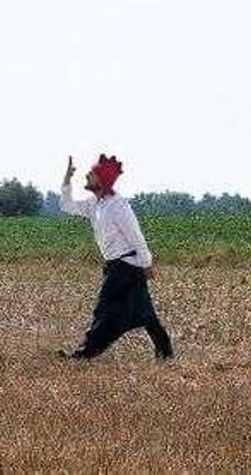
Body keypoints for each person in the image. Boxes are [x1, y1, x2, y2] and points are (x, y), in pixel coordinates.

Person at [57, 153, 174, 360]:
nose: (87, 175)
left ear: (101, 179)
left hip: (126, 266)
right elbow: (67, 206)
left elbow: (136, 236)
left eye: (92, 173)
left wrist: (147, 263)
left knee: (104, 309)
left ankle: (84, 353)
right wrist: (67, 178)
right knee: (145, 312)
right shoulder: (95, 204)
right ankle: (165, 353)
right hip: (116, 266)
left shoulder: (118, 206)